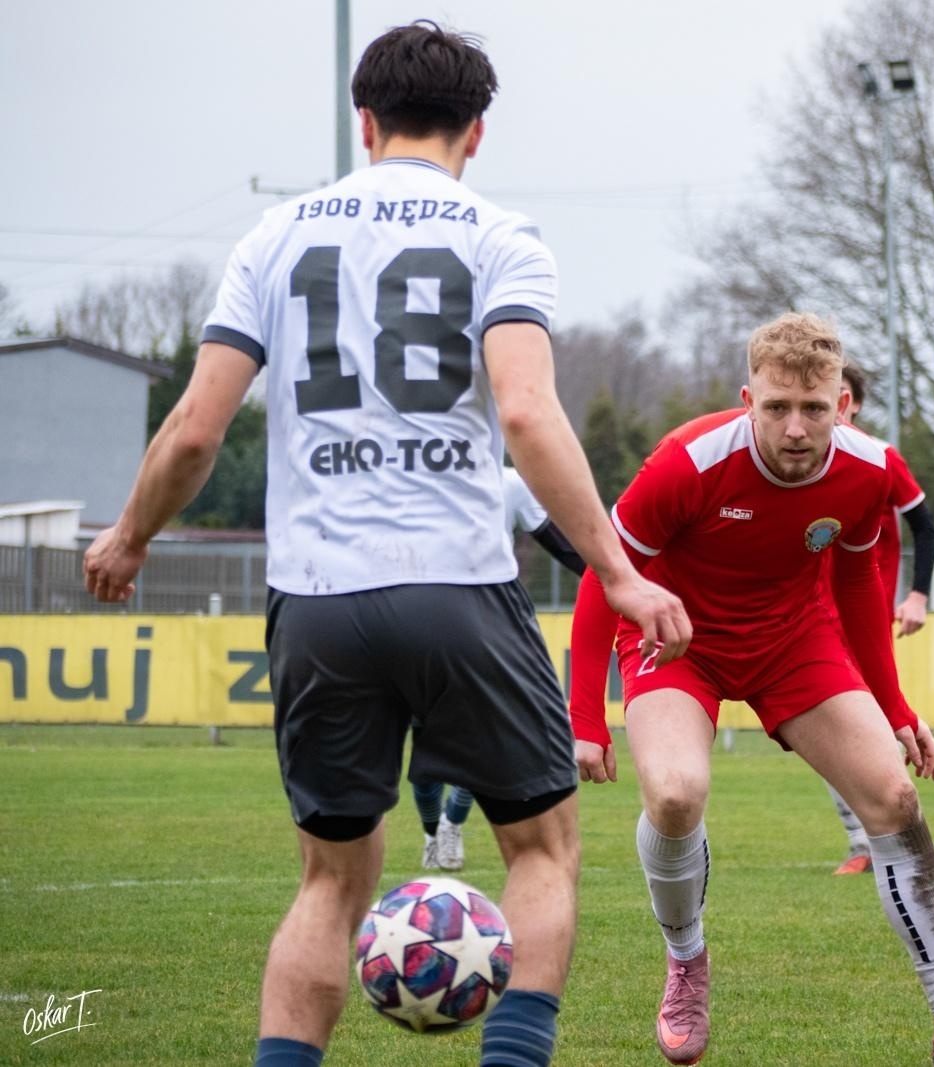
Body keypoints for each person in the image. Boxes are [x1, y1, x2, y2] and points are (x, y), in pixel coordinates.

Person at [83, 22, 690, 1067]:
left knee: (329, 879)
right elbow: (530, 415)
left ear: (363, 121)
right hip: (455, 582)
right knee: (541, 849)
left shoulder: (274, 237)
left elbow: (194, 427)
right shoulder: (501, 234)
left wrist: (131, 537)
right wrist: (621, 574)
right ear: (477, 131)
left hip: (315, 596)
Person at [567, 312, 934, 1067]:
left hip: (793, 640)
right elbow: (608, 573)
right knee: (676, 793)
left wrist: (895, 707)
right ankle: (687, 961)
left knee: (893, 796)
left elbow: (857, 580)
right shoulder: (687, 461)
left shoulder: (872, 469)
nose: (796, 427)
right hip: (677, 639)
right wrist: (585, 714)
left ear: (842, 405)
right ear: (746, 398)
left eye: (814, 408)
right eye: (777, 407)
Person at [416, 465, 589, 873]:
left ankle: (451, 826)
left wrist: (618, 577)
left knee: (477, 740)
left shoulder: (510, 481)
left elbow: (563, 545)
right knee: (425, 746)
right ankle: (430, 833)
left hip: (486, 627)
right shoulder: (415, 475)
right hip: (419, 626)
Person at [824, 361, 934, 876]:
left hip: (860, 613)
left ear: (850, 403)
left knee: (865, 722)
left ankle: (881, 837)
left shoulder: (877, 460)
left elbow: (926, 527)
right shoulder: (787, 458)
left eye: (835, 396)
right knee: (832, 726)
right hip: (805, 616)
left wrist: (917, 595)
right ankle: (866, 840)